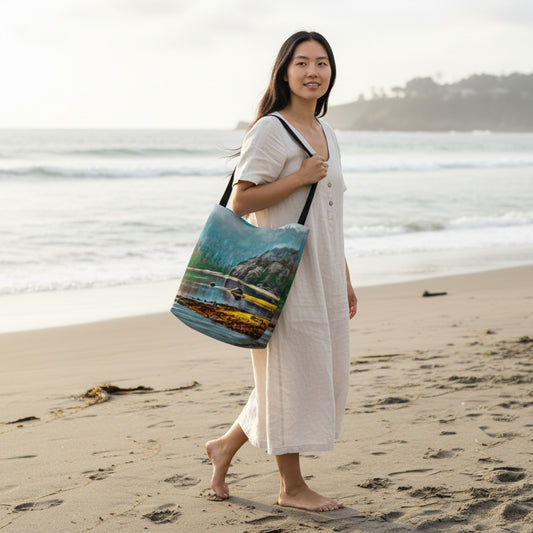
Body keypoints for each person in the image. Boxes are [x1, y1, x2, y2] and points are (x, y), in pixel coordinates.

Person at [205, 30, 357, 513]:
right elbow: (242, 199)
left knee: (312, 371)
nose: (313, 72)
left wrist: (346, 277)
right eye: (302, 63)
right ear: (284, 72)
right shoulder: (272, 130)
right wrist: (298, 177)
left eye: (322, 64)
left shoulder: (328, 132)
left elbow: (328, 210)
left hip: (325, 270)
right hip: (284, 273)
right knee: (294, 373)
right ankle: (291, 487)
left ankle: (225, 446)